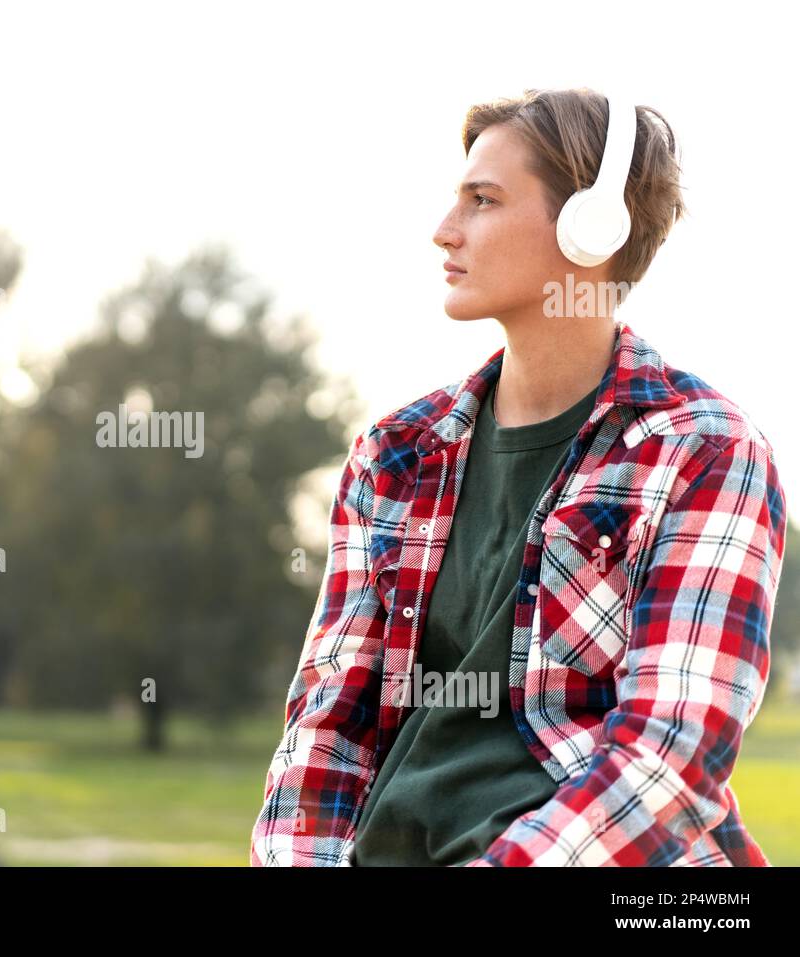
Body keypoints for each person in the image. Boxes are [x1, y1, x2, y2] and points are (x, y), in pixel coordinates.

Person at [250, 88, 787, 866]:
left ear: (589, 227)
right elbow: (326, 729)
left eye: (483, 200)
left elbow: (670, 758)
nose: (445, 230)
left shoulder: (704, 452)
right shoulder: (394, 454)